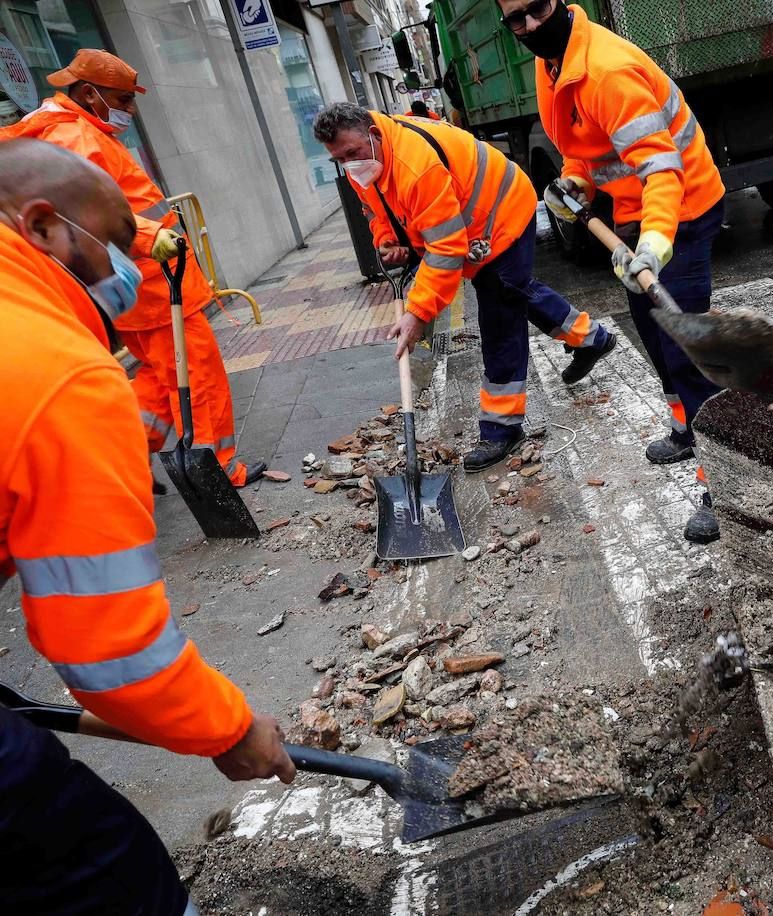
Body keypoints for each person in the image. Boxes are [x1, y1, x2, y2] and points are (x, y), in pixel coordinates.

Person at [0, 138, 295, 915]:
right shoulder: (54, 368)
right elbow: (108, 651)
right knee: (105, 869)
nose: (126, 277)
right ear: (42, 227)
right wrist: (231, 730)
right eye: (112, 249)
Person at [501, 0, 725, 543]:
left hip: (682, 209)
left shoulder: (607, 71)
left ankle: (723, 483)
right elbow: (584, 147)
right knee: (652, 333)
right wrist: (576, 183)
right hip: (631, 210)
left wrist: (653, 245)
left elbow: (662, 169)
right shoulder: (551, 63)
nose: (530, 25)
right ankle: (684, 427)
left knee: (687, 348)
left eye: (536, 10)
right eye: (516, 19)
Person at [0, 49, 266, 490]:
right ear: (89, 93)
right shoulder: (74, 137)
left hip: (143, 286)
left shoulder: (75, 131)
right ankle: (218, 469)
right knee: (197, 374)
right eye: (122, 100)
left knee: (159, 380)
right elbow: (80, 216)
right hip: (155, 285)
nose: (130, 110)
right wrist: (148, 237)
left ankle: (128, 457)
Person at [313, 102, 617, 471]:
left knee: (500, 318)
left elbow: (445, 250)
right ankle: (593, 338)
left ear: (373, 135)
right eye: (339, 159)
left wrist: (418, 313)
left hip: (501, 212)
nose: (350, 164)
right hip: (471, 226)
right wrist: (388, 241)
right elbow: (378, 210)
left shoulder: (415, 165)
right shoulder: (369, 163)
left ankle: (501, 428)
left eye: (353, 153)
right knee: (513, 289)